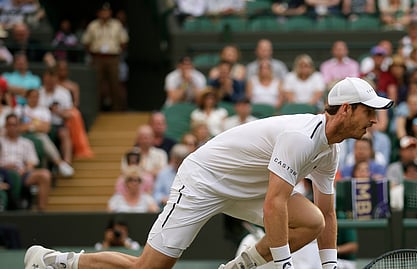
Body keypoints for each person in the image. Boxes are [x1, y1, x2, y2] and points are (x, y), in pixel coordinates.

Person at [24, 77, 394, 269]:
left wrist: (328, 266)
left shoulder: (333, 149)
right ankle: (58, 261)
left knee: (311, 220)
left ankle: (238, 267)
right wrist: (283, 264)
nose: (375, 120)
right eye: (368, 111)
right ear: (345, 110)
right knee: (149, 268)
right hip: (203, 179)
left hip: (249, 189)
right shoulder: (300, 138)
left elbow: (327, 214)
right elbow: (274, 206)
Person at [81, 2, 129, 111]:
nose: (104, 14)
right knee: (96, 84)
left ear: (110, 12)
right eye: (102, 12)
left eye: (106, 12)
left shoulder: (117, 25)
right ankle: (96, 109)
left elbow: (124, 42)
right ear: (98, 13)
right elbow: (86, 42)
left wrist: (118, 52)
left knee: (115, 83)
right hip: (98, 58)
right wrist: (92, 55)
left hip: (113, 57)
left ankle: (117, 110)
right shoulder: (93, 25)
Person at [0, 113, 51, 211]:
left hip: (22, 173)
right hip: (2, 173)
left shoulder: (26, 143)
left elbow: (32, 163)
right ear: (5, 126)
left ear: (19, 126)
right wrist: (4, 166)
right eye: (9, 125)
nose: (12, 128)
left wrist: (24, 170)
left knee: (45, 174)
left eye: (14, 125)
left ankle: (41, 211)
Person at [152, 144, 192, 208]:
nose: (178, 164)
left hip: (186, 207)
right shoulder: (163, 173)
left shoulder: (191, 174)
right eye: (176, 161)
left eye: (181, 161)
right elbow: (156, 194)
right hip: (167, 206)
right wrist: (163, 199)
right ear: (172, 159)